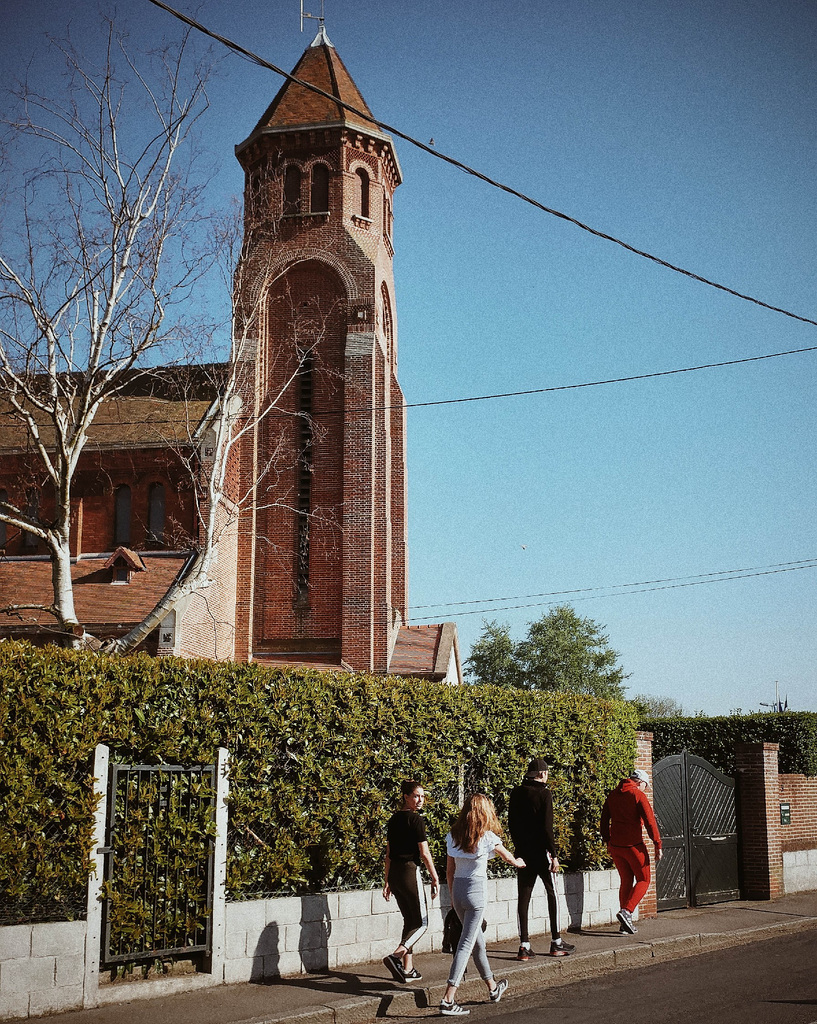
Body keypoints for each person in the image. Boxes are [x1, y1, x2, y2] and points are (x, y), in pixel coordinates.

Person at [440, 794, 524, 1016]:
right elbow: (507, 856)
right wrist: (519, 862)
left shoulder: (453, 836)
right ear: (485, 812)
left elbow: (449, 871)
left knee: (477, 944)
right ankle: (448, 998)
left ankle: (493, 988)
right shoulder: (487, 837)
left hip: (457, 891)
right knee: (466, 945)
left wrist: (451, 895)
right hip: (476, 893)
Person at [508, 757, 575, 959]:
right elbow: (547, 827)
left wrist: (518, 847)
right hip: (541, 853)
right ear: (542, 774)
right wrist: (553, 855)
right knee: (552, 894)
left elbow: (512, 823)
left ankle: (524, 945)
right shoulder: (545, 794)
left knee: (524, 897)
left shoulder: (517, 793)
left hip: (523, 853)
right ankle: (556, 941)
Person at [382, 780, 440, 982]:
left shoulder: (393, 820)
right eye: (416, 796)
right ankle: (395, 956)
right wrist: (434, 876)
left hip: (396, 874)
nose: (420, 800)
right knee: (423, 923)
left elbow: (388, 854)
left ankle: (408, 968)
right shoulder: (416, 820)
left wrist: (387, 879)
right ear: (405, 796)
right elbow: (424, 853)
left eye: (423, 796)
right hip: (408, 871)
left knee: (410, 920)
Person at [600, 768, 663, 934]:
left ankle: (624, 924)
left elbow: (604, 819)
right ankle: (627, 912)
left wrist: (607, 840)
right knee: (644, 879)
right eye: (646, 786)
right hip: (634, 846)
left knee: (626, 881)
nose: (645, 789)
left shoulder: (612, 795)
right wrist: (657, 844)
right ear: (640, 782)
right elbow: (650, 822)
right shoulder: (638, 795)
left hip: (616, 846)